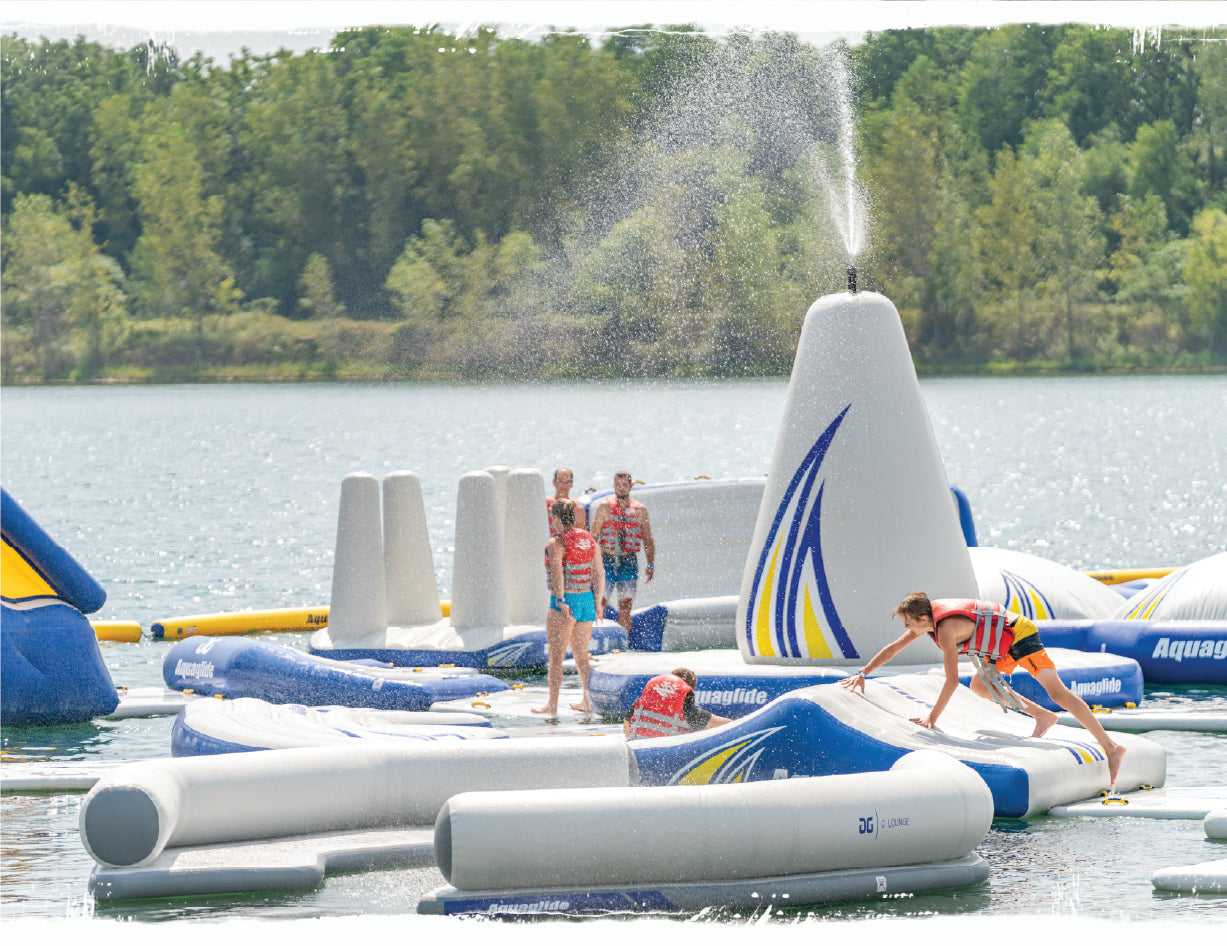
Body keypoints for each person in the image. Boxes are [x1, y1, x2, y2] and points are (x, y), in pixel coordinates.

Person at [840, 591, 1127, 789]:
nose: (906, 628)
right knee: (980, 685)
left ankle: (1112, 747)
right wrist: (863, 673)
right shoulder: (929, 622)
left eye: (907, 623)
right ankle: (1042, 716)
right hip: (999, 641)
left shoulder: (946, 629)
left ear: (923, 619)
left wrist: (932, 719)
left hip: (1019, 634)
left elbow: (951, 680)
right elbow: (894, 648)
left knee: (1058, 694)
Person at [533, 498, 603, 716]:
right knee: (582, 656)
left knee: (556, 658)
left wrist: (561, 600)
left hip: (566, 603)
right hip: (586, 601)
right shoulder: (588, 538)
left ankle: (552, 706)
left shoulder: (556, 542)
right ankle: (587, 701)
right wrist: (598, 602)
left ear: (555, 518)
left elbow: (556, 574)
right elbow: (599, 571)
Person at [588, 471, 655, 634]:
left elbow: (647, 539)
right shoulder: (605, 507)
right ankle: (594, 637)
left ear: (630, 486)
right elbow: (594, 536)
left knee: (625, 606)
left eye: (624, 485)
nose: (621, 489)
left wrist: (650, 563)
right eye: (618, 485)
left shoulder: (640, 509)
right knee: (600, 602)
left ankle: (623, 641)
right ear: (614, 486)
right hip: (607, 559)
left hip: (628, 562)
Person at [623, 667, 731, 739]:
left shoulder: (642, 702)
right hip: (666, 758)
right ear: (687, 690)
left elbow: (626, 724)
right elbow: (724, 724)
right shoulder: (687, 710)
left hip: (637, 750)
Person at [546, 468, 586, 535]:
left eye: (567, 482)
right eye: (561, 481)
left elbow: (583, 535)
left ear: (571, 484)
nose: (564, 485)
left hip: (568, 543)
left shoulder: (578, 508)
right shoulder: (544, 504)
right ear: (554, 482)